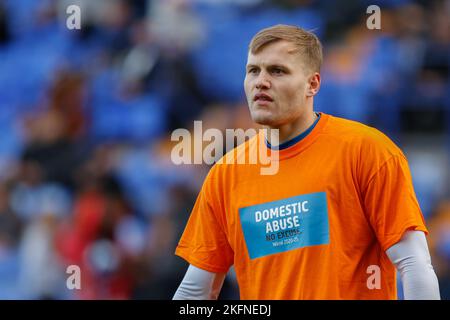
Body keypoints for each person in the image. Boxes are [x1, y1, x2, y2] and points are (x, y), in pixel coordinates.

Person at [173, 24, 441, 300]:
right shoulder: (226, 174)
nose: (260, 81)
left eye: (277, 71)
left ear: (312, 84)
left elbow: (414, 264)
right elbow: (196, 291)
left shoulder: (366, 151)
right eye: (253, 70)